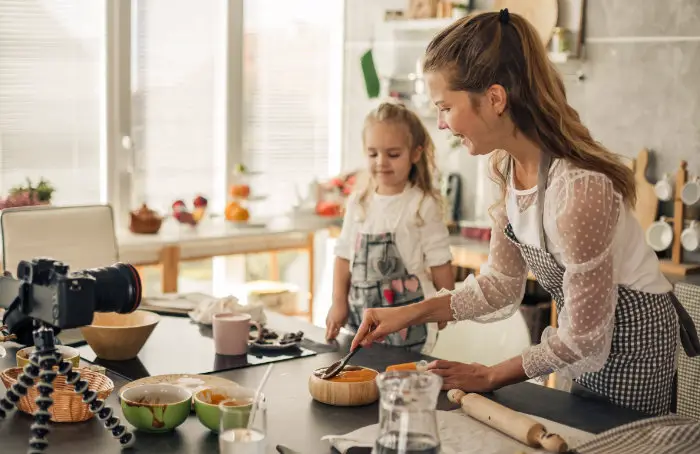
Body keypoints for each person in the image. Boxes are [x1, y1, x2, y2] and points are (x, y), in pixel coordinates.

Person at [350, 9, 700, 416]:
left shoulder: (579, 190)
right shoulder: (504, 167)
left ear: (495, 98)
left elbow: (585, 336)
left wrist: (491, 375)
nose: (441, 125)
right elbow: (500, 285)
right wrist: (409, 312)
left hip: (635, 343)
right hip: (583, 339)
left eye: (445, 107)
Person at [325, 101, 454, 354]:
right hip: (361, 319)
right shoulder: (359, 202)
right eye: (373, 154)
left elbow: (441, 261)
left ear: (415, 154)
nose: (381, 162)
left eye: (393, 154)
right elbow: (343, 257)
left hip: (410, 322)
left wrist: (445, 305)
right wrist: (338, 302)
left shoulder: (422, 204)